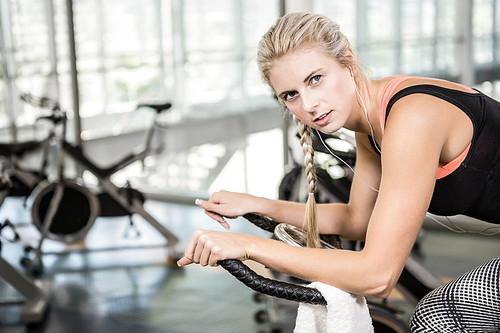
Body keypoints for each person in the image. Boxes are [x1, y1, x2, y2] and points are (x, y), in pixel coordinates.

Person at [177, 12, 500, 332]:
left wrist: (249, 247)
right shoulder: (372, 125)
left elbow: (377, 276)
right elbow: (357, 220)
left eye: (315, 79)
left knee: (439, 315)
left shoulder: (412, 116)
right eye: (291, 95)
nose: (309, 105)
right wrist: (259, 204)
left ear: (348, 59)